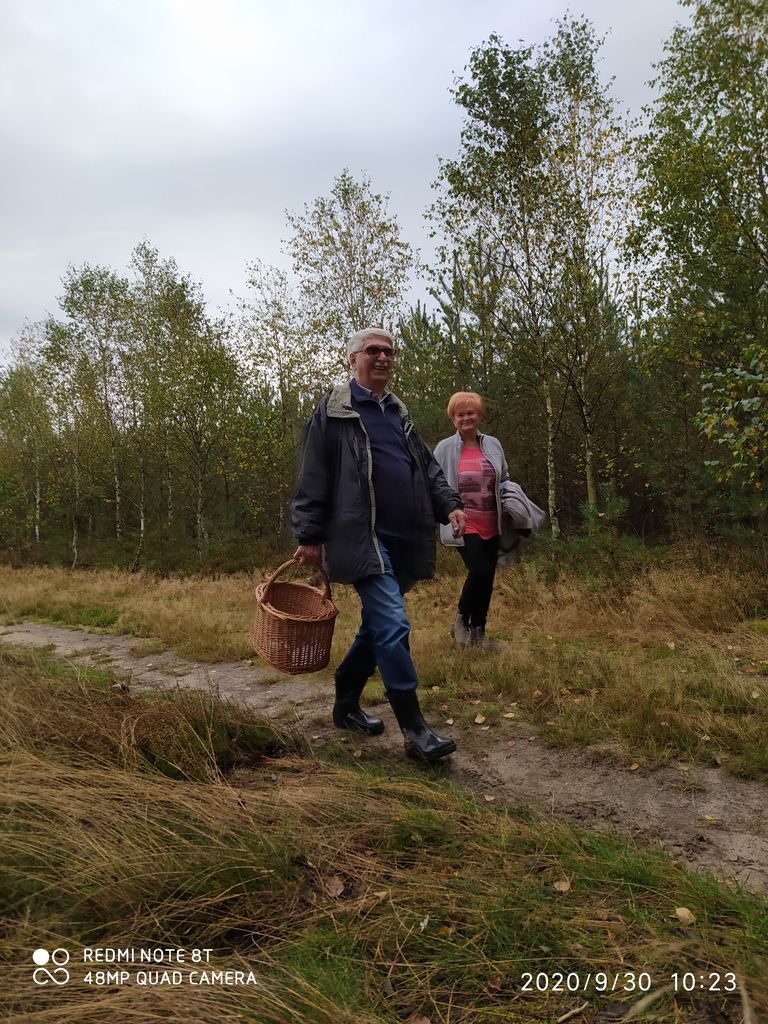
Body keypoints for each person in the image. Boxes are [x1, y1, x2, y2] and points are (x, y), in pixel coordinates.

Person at [291, 328, 466, 764]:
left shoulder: (398, 413)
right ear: (353, 359)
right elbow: (313, 476)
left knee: (377, 626)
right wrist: (308, 536)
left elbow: (426, 468)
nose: (383, 357)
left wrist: (450, 506)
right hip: (361, 537)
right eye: (373, 351)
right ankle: (415, 729)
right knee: (393, 624)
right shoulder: (333, 412)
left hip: (406, 537)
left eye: (389, 351)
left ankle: (346, 702)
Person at [433, 391, 510, 650]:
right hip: (463, 522)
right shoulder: (444, 449)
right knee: (479, 571)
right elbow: (434, 483)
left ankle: (479, 631)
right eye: (460, 414)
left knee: (487, 577)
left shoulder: (493, 445)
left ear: (479, 415)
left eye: (470, 413)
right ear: (453, 419)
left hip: (493, 521)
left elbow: (504, 477)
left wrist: (512, 498)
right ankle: (460, 621)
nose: (466, 418)